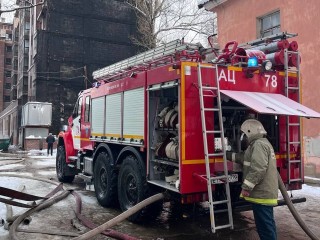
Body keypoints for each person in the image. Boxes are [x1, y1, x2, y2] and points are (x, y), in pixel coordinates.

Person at [226, 119, 278, 240]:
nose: (244, 137)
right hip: (263, 194)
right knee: (268, 225)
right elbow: (244, 157)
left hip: (262, 195)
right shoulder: (260, 143)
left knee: (265, 228)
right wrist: (226, 154)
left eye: (244, 134)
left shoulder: (258, 145)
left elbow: (258, 168)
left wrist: (246, 187)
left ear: (250, 132)